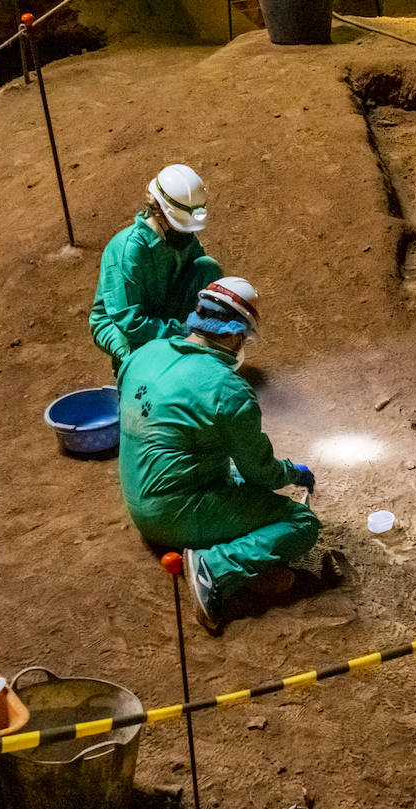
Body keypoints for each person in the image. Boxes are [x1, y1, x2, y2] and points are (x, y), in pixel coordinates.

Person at [117, 277, 320, 632]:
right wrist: (292, 472)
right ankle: (215, 567)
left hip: (137, 497)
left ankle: (216, 546)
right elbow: (261, 473)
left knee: (226, 468)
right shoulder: (228, 389)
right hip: (174, 515)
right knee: (302, 523)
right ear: (234, 334)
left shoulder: (145, 353)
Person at [90, 164, 224, 372]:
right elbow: (130, 322)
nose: (188, 233)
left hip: (160, 306)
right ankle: (128, 365)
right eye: (181, 225)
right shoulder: (128, 252)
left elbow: (199, 276)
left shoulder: (179, 233)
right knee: (149, 369)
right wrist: (185, 332)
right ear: (159, 211)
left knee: (207, 268)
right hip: (121, 324)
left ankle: (179, 345)